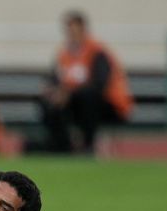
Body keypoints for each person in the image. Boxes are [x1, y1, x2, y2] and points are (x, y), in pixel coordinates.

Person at [42, 10, 133, 153]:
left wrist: (69, 94)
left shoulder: (98, 51)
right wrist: (54, 92)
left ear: (83, 29)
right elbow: (55, 79)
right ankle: (61, 145)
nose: (72, 34)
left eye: (75, 30)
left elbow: (100, 85)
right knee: (49, 102)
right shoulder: (64, 54)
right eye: (69, 30)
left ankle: (88, 145)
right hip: (76, 104)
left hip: (110, 106)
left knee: (88, 97)